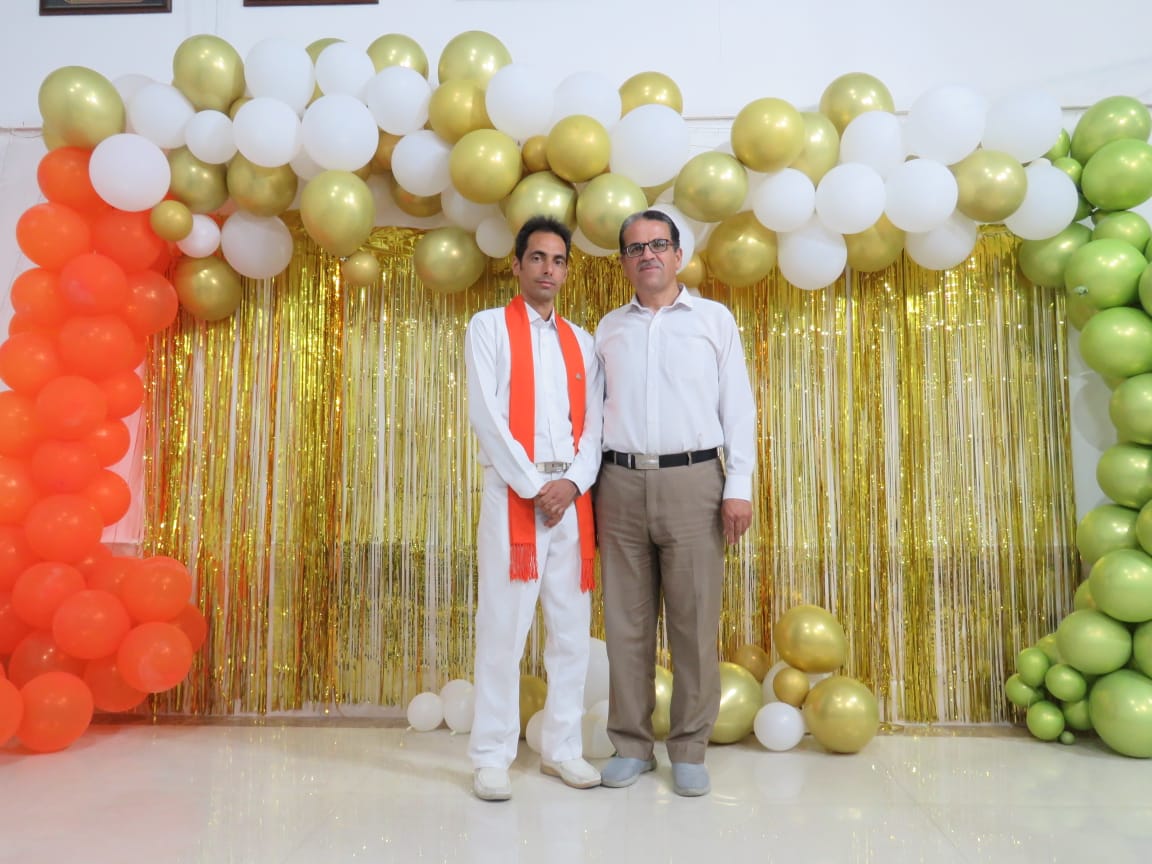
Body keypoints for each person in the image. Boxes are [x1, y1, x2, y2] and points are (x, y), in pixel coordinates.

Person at [594, 209, 756, 797]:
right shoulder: (608, 329)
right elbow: (591, 415)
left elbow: (738, 406)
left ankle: (689, 748)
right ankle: (631, 745)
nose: (648, 255)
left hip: (694, 483)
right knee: (625, 624)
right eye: (635, 248)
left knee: (693, 622)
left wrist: (738, 487)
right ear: (623, 262)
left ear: (678, 254)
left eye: (658, 244)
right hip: (618, 483)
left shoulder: (713, 321)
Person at [464, 215, 604, 801]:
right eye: (538, 258)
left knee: (571, 632)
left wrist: (569, 484)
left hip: (571, 499)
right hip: (514, 497)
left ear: (567, 271)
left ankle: (562, 748)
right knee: (504, 628)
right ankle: (491, 755)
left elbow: (594, 426)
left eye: (559, 260)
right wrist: (532, 486)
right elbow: (486, 415)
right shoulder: (489, 327)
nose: (549, 269)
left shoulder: (582, 341)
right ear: (518, 264)